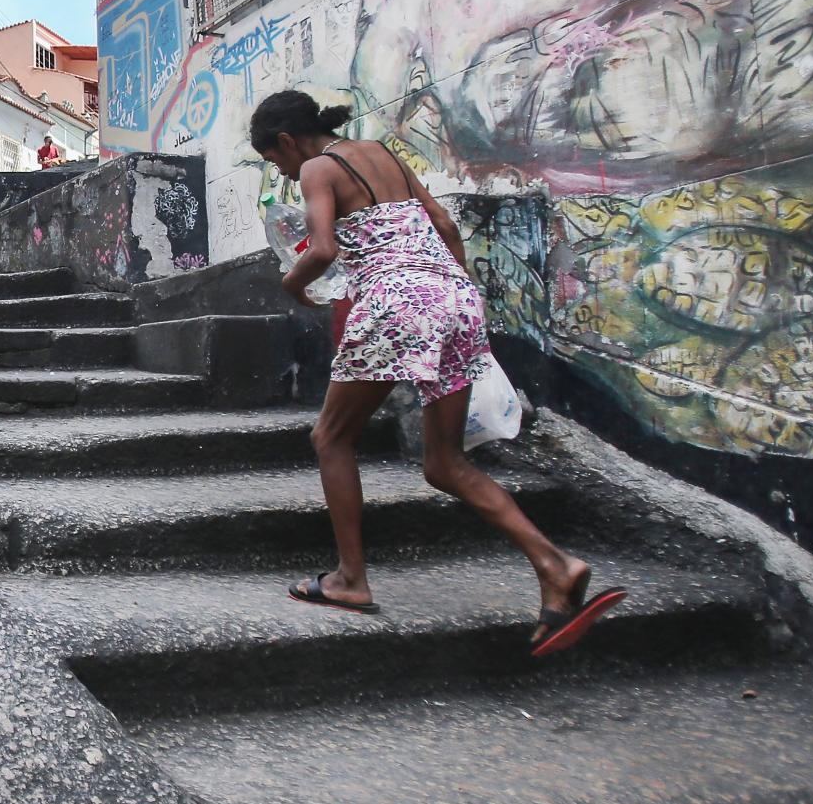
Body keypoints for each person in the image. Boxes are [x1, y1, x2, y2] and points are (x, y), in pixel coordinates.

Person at [252, 90, 622, 655]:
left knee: (330, 436)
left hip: (395, 304)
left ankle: (350, 580)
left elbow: (322, 249)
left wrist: (292, 285)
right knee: (445, 463)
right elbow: (445, 225)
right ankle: (556, 564)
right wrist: (452, 291)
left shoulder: (319, 169)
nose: (284, 171)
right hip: (453, 296)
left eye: (278, 161)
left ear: (286, 141)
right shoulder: (383, 152)